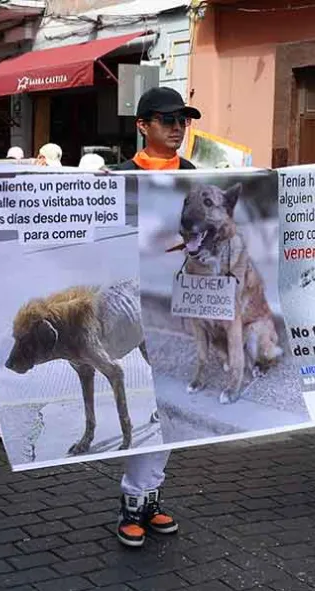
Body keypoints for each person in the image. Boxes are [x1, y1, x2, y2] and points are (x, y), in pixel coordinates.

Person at [108, 86, 197, 547]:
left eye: (182, 120)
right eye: (167, 120)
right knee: (144, 399)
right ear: (143, 126)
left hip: (180, 304)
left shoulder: (195, 175)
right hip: (132, 305)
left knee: (170, 405)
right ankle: (133, 500)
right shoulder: (117, 177)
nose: (177, 128)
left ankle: (149, 496)